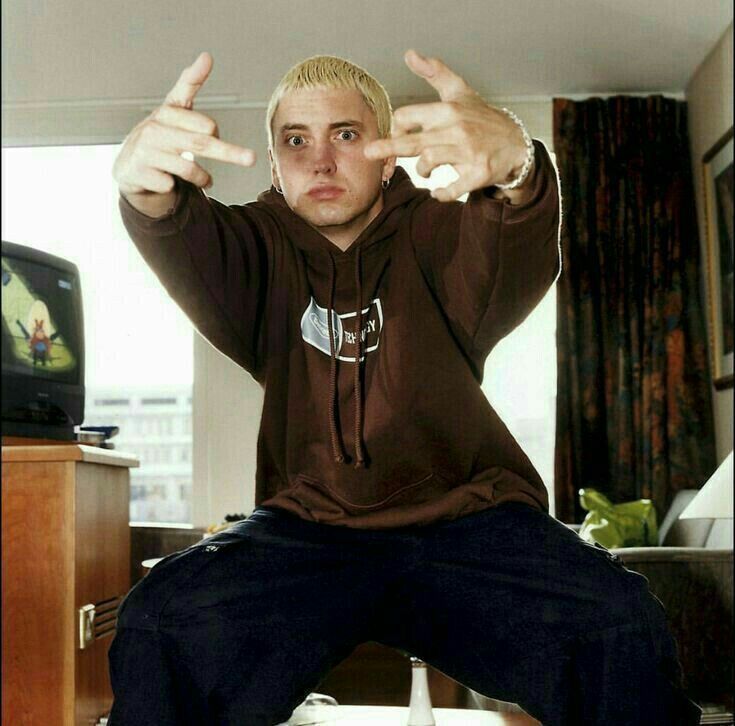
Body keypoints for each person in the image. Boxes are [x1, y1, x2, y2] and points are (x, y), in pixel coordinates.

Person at [108, 50, 702, 725]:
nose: (321, 161)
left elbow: (506, 233)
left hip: (469, 519)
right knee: (165, 616)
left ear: (388, 158)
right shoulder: (253, 246)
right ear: (273, 164)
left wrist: (517, 167)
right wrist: (143, 188)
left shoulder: (439, 227)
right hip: (309, 528)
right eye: (295, 141)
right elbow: (182, 232)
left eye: (347, 135)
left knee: (616, 618)